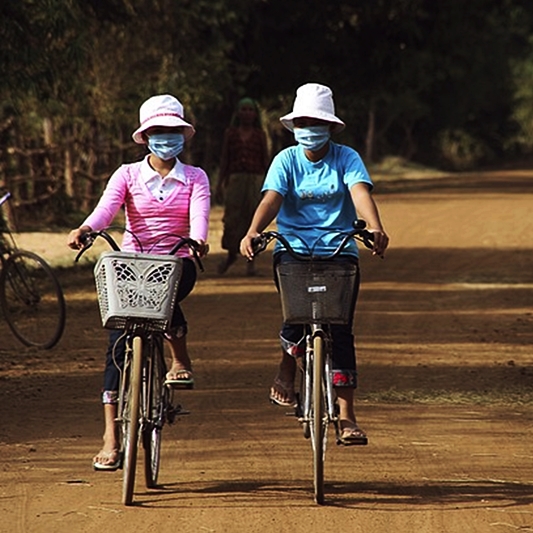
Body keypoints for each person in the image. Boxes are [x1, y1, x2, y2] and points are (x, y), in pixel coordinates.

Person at [240, 83, 389, 445]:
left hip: (339, 250)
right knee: (296, 316)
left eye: (317, 121)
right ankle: (287, 364)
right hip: (291, 249)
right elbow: (272, 199)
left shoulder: (346, 158)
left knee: (340, 329)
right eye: (304, 121)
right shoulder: (286, 160)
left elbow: (359, 193)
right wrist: (253, 231)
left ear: (331, 126)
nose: (310, 128)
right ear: (294, 126)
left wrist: (375, 226)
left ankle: (347, 416)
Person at [67, 94, 210, 469]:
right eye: (158, 131)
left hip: (176, 262)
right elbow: (106, 210)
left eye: (173, 131)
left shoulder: (195, 177)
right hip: (131, 265)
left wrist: (197, 240)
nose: (166, 138)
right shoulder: (127, 174)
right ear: (145, 137)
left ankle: (179, 359)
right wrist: (85, 228)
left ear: (183, 135)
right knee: (116, 344)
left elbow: (199, 217)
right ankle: (111, 437)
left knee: (167, 298)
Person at [216, 97, 269, 275]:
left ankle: (251, 261)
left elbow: (265, 159)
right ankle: (231, 255)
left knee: (253, 218)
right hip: (235, 180)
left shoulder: (260, 135)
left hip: (255, 180)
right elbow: (224, 158)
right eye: (244, 110)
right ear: (238, 113)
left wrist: (268, 186)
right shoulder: (230, 133)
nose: (247, 113)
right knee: (233, 219)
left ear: (255, 114)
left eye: (250, 110)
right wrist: (220, 182)